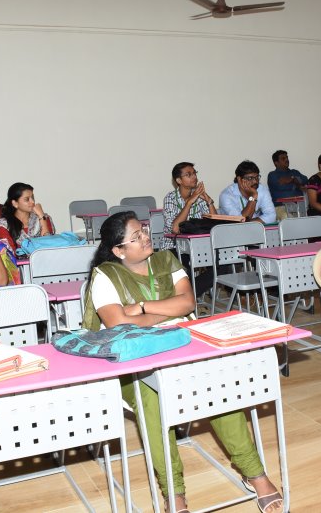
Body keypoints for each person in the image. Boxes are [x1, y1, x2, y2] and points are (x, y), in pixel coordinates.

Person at [82, 211, 283, 513]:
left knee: (218, 384)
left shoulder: (166, 260)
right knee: (151, 398)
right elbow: (118, 324)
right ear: (119, 250)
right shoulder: (105, 276)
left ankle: (254, 473)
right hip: (131, 362)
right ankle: (173, 492)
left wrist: (142, 308)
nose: (146, 237)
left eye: (143, 230)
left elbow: (187, 302)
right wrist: (167, 313)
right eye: (136, 237)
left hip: (183, 347)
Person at [160, 162, 217, 298]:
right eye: (189, 174)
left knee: (224, 266)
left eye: (194, 173)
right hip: (173, 247)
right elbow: (175, 228)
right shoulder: (170, 198)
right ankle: (188, 297)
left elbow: (215, 225)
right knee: (183, 269)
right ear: (179, 180)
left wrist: (209, 201)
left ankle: (188, 294)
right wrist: (190, 202)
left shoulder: (199, 197)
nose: (194, 177)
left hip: (199, 246)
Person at [0, 182, 54, 251]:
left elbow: (50, 246)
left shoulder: (43, 218)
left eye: (32, 197)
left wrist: (41, 216)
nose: (32, 202)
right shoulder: (4, 225)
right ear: (15, 203)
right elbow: (8, 254)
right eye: (27, 199)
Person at [266, 150, 308, 220]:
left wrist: (291, 179)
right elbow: (281, 187)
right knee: (288, 217)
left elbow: (305, 180)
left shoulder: (294, 172)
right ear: (276, 163)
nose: (286, 160)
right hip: (281, 207)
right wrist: (297, 184)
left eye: (287, 158)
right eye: (283, 158)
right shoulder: (272, 175)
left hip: (299, 206)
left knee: (309, 217)